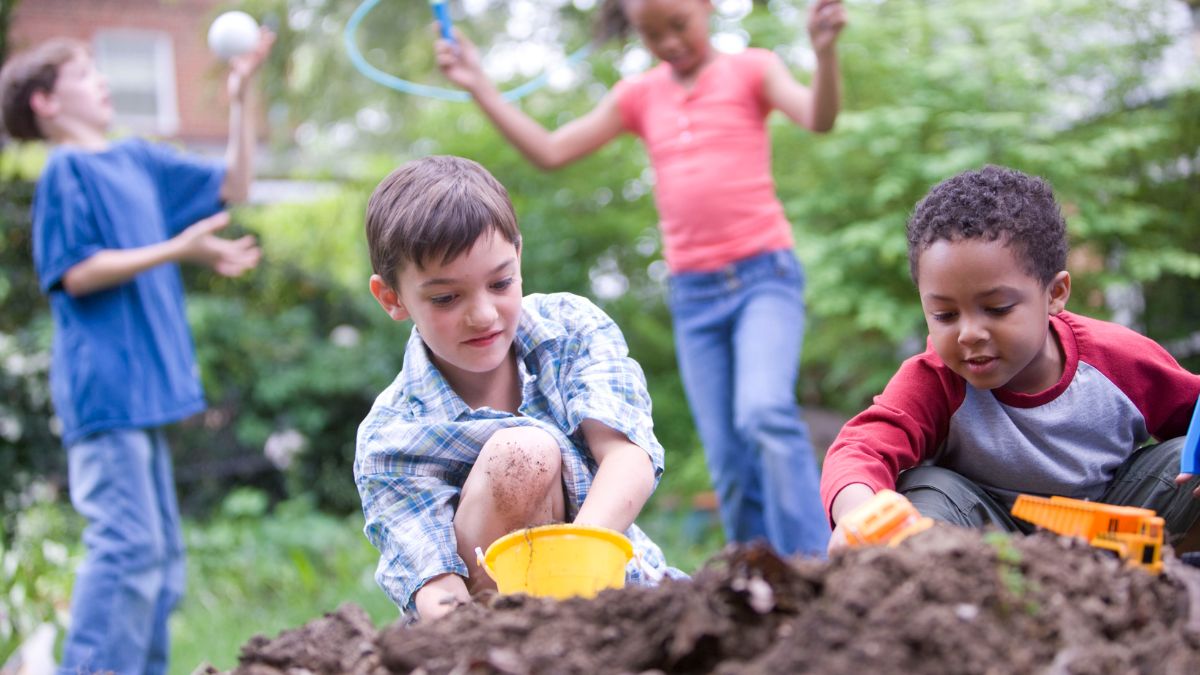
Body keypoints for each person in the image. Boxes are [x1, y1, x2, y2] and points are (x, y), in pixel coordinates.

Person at [433, 0, 847, 557]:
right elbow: (551, 151)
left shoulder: (753, 69)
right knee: (725, 454)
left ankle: (816, 564)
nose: (670, 42)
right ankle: (758, 577)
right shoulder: (640, 95)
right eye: (652, 34)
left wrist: (823, 53)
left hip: (763, 278)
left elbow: (818, 117)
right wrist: (478, 84)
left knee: (764, 412)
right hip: (695, 297)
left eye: (680, 24)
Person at [0, 29, 273, 673]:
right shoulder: (68, 169)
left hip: (145, 391)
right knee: (126, 549)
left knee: (161, 558)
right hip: (106, 391)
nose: (102, 82)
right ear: (45, 102)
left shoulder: (138, 160)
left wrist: (238, 98)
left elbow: (233, 185)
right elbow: (77, 271)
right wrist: (178, 249)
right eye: (85, 73)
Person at [356, 155, 683, 621]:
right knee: (524, 455)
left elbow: (628, 456)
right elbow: (434, 585)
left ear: (519, 258)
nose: (484, 314)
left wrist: (576, 561)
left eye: (501, 282)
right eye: (446, 297)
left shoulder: (571, 328)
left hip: (616, 597)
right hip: (492, 628)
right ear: (392, 298)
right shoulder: (392, 437)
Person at [821, 165, 1200, 552]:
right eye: (946, 315)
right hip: (984, 547)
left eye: (997, 308)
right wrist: (858, 512)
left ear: (1054, 294)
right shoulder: (937, 378)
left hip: (1112, 533)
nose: (969, 333)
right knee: (923, 490)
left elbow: (1194, 407)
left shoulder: (1118, 359)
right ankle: (947, 591)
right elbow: (861, 447)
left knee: (1183, 461)